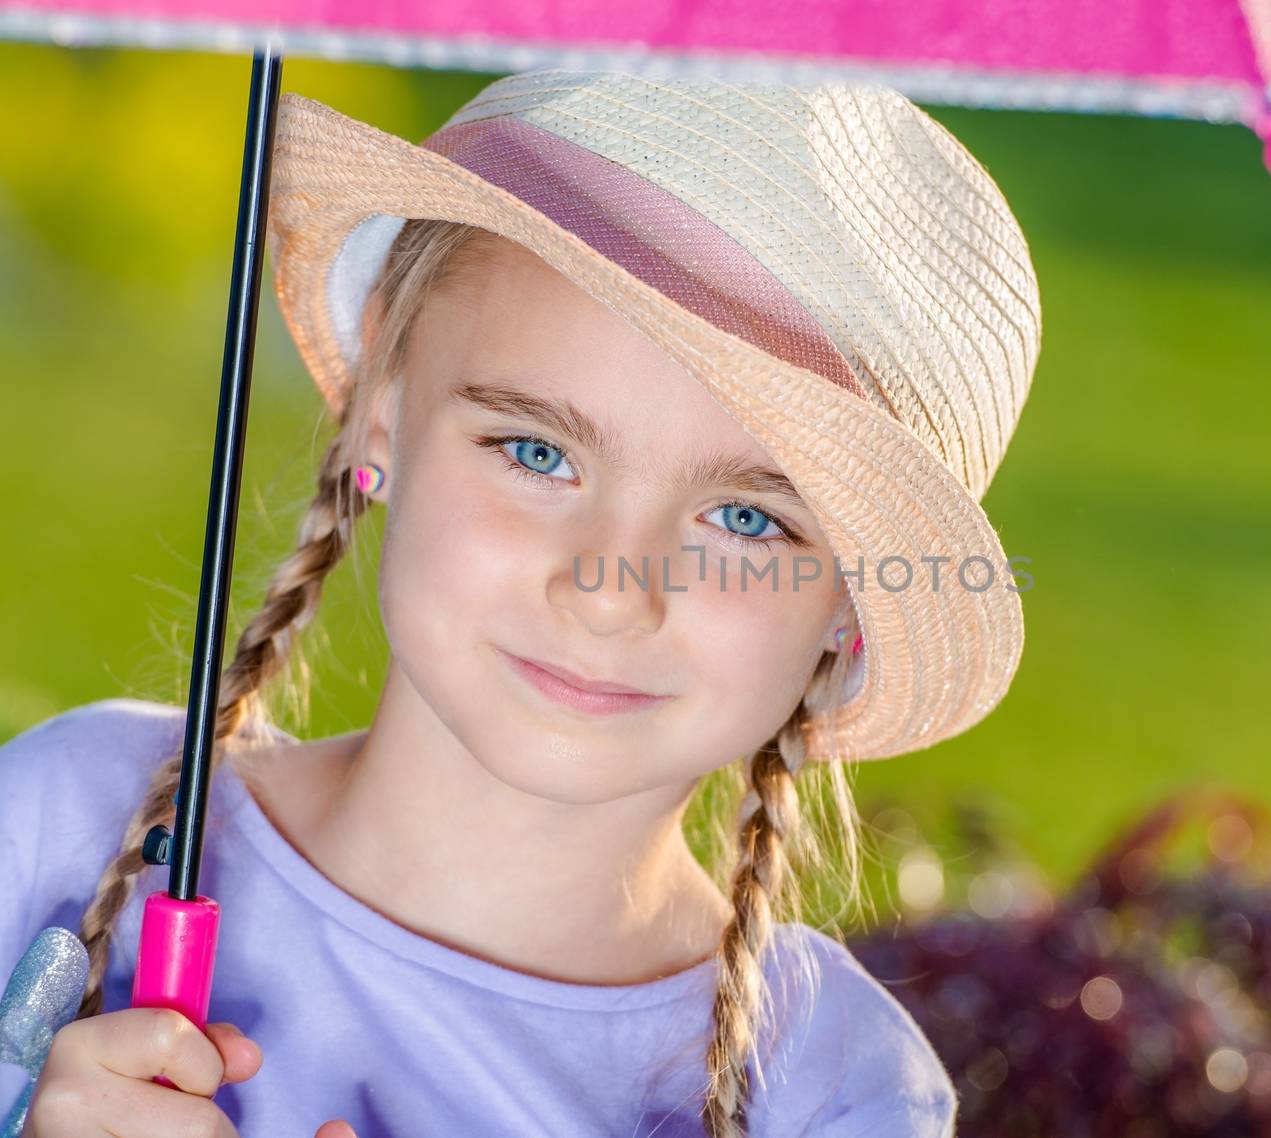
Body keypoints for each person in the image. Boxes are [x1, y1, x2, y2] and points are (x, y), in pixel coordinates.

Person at [1, 67, 1041, 1137]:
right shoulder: (62, 828)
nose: (608, 590)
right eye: (536, 451)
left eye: (743, 518)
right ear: (378, 417)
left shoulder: (836, 1092)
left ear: (851, 608)